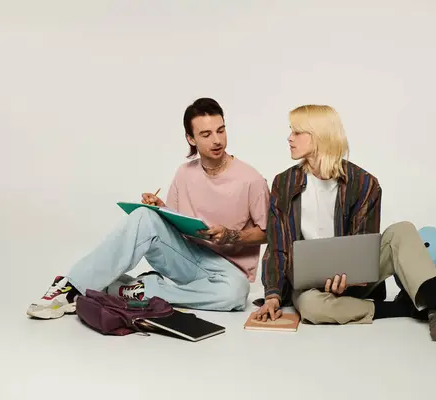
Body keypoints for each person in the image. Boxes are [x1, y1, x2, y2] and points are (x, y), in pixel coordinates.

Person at [256, 104, 436, 342]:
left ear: (319, 136)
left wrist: (350, 278)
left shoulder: (364, 183)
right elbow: (278, 247)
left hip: (353, 280)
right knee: (311, 307)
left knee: (402, 230)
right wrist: (273, 296)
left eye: (297, 132)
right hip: (308, 284)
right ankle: (415, 310)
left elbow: (362, 248)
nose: (289, 138)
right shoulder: (284, 184)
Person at [27, 98, 270, 319]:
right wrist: (161, 209)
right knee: (144, 216)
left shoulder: (251, 180)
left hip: (227, 272)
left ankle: (135, 290)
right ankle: (72, 286)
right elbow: (177, 223)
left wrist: (231, 235)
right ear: (191, 139)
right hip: (188, 258)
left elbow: (268, 232)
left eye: (220, 130)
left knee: (236, 295)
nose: (217, 140)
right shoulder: (184, 173)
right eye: (206, 134)